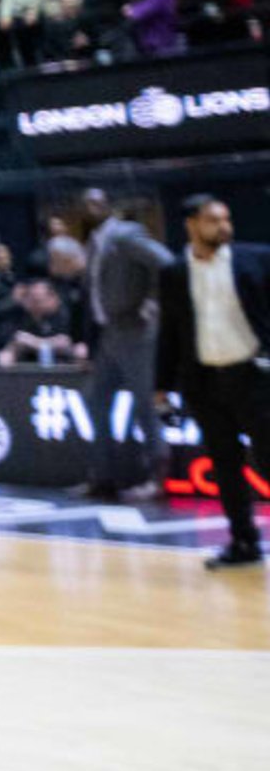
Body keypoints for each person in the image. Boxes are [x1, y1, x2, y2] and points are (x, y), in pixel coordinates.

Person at [158, 194, 270, 570]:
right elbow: (170, 332)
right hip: (205, 381)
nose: (224, 227)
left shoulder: (256, 259)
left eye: (227, 219)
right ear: (192, 225)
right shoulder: (174, 273)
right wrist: (162, 385)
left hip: (254, 376)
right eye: (213, 220)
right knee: (225, 466)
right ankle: (244, 542)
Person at [83, 188, 176, 500]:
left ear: (109, 204)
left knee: (145, 405)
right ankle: (104, 477)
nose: (89, 206)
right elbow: (94, 294)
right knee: (95, 401)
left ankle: (158, 478)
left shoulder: (125, 234)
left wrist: (151, 300)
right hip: (110, 332)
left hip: (135, 330)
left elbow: (166, 263)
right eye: (85, 202)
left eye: (96, 200)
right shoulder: (95, 242)